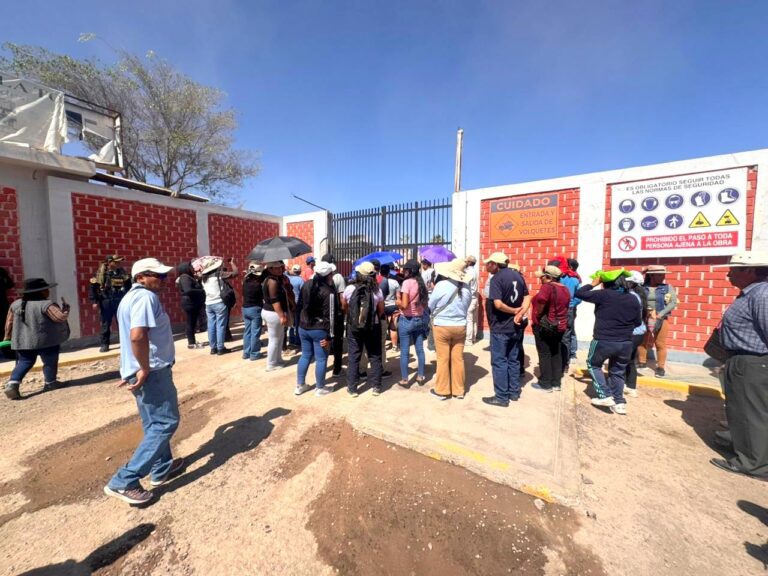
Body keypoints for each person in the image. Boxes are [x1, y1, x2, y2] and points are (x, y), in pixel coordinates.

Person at [103, 258, 183, 505]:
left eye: (164, 275)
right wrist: (145, 368)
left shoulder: (129, 298)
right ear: (140, 277)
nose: (162, 280)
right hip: (151, 371)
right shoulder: (146, 298)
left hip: (139, 369)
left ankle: (161, 468)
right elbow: (137, 336)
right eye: (157, 276)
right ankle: (124, 480)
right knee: (166, 422)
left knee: (153, 423)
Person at [709, 251, 768, 480]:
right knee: (740, 409)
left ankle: (753, 464)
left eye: (733, 271)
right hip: (742, 360)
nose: (728, 275)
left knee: (750, 412)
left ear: (750, 271)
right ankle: (746, 449)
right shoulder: (751, 293)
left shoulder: (762, 295)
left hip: (753, 362)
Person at [576, 270, 642, 415]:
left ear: (605, 282)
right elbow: (637, 322)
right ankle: (619, 403)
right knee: (617, 372)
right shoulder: (633, 299)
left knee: (593, 365)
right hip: (625, 342)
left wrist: (593, 283)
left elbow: (579, 293)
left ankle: (605, 395)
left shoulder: (604, 295)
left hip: (603, 340)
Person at [3, 278, 70, 400]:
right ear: (41, 292)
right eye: (46, 289)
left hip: (23, 341)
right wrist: (65, 309)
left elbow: (9, 323)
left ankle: (13, 384)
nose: (48, 291)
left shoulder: (15, 304)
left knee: (25, 362)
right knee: (49, 361)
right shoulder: (47, 304)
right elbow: (60, 318)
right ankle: (50, 383)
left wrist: (7, 337)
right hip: (47, 341)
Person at [482, 253, 530, 407]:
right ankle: (514, 392)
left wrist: (514, 311)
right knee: (513, 359)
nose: (486, 266)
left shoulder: (496, 279)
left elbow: (498, 304)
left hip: (501, 327)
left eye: (489, 263)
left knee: (499, 361)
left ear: (496, 264)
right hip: (515, 326)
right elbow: (528, 297)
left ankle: (502, 396)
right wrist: (520, 312)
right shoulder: (518, 276)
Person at [428, 259, 472, 400]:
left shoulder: (441, 285)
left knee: (442, 359)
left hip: (442, 326)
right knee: (458, 359)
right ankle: (458, 390)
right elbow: (467, 306)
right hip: (460, 326)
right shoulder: (466, 288)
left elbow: (431, 304)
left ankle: (442, 390)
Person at [341, 262, 385, 397]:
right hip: (373, 326)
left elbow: (344, 307)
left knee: (354, 357)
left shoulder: (349, 289)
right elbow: (381, 310)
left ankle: (352, 388)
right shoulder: (377, 290)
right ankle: (376, 387)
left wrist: (354, 317)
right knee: (375, 356)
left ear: (359, 274)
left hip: (354, 328)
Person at [295, 261, 337, 397]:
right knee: (321, 358)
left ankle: (300, 385)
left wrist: (298, 325)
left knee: (305, 355)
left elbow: (299, 305)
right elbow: (331, 315)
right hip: (319, 330)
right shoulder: (329, 291)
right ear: (328, 275)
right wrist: (330, 336)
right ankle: (320, 387)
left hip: (303, 326)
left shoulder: (306, 284)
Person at [529, 264, 570, 392]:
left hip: (545, 326)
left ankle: (545, 383)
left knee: (544, 353)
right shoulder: (565, 288)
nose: (540, 279)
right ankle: (556, 382)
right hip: (560, 325)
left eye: (542, 277)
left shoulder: (547, 287)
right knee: (556, 352)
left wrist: (537, 315)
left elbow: (541, 301)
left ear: (549, 277)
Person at [637, 264, 678, 378]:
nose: (662, 277)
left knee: (660, 343)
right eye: (659, 275)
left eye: (663, 275)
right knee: (642, 340)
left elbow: (672, 303)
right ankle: (642, 361)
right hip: (644, 317)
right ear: (652, 276)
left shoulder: (667, 288)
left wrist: (660, 315)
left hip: (661, 318)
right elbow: (637, 298)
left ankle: (660, 367)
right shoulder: (641, 287)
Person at [397, 259, 430, 386]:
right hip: (419, 319)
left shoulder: (406, 283)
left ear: (410, 271)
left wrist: (398, 301)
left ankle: (405, 379)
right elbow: (425, 304)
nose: (404, 271)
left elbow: (404, 305)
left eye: (406, 269)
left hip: (407, 319)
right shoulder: (421, 284)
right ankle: (420, 376)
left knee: (405, 351)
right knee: (420, 349)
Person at [89, 255, 131, 352]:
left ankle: (125, 343)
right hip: (106, 301)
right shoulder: (101, 274)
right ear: (109, 262)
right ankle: (105, 344)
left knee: (122, 323)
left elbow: (128, 286)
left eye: (119, 262)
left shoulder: (122, 273)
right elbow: (93, 288)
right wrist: (94, 301)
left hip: (120, 301)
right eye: (116, 262)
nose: (118, 264)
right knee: (105, 324)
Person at [201, 257, 238, 355]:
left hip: (208, 304)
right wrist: (232, 263)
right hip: (219, 303)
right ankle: (220, 348)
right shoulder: (219, 274)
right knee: (220, 325)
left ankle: (213, 348)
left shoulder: (203, 277)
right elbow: (235, 273)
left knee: (211, 326)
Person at [624, 271, 648, 398]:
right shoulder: (641, 296)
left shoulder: (631, 296)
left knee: (623, 360)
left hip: (632, 333)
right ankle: (631, 387)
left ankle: (621, 385)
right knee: (630, 361)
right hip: (639, 332)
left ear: (631, 283)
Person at [262, 261, 289, 371]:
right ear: (270, 269)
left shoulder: (275, 280)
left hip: (272, 312)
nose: (279, 269)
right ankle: (271, 363)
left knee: (280, 337)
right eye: (276, 268)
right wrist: (281, 315)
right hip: (273, 313)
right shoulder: (272, 281)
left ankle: (278, 359)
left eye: (280, 267)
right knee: (274, 339)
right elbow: (275, 300)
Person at [321, 254, 346, 376]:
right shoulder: (338, 277)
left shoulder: (314, 276)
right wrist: (343, 311)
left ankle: (322, 366)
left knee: (323, 339)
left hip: (321, 314)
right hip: (336, 314)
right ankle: (337, 368)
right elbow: (342, 297)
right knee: (337, 340)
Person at [176, 262, 206, 349]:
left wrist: (199, 280)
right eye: (191, 267)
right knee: (190, 323)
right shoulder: (185, 277)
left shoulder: (188, 277)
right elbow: (188, 290)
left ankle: (192, 341)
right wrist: (201, 291)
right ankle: (191, 343)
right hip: (190, 303)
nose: (192, 268)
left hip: (193, 303)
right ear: (186, 268)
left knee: (192, 322)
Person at [242, 262, 265, 361]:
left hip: (245, 308)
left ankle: (246, 353)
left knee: (247, 331)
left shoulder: (245, 282)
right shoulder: (257, 285)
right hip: (255, 309)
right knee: (255, 332)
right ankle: (254, 354)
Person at [380, 264, 401, 352]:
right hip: (393, 306)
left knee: (383, 328)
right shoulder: (395, 282)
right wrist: (399, 308)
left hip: (382, 306)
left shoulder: (378, 282)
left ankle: (383, 347)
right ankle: (394, 347)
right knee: (393, 327)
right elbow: (398, 297)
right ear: (389, 272)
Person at [565, 258, 581, 362]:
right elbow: (579, 297)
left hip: (567, 309)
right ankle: (572, 354)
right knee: (571, 330)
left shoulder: (569, 278)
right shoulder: (577, 279)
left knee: (567, 331)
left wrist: (570, 305)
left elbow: (578, 296)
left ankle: (570, 354)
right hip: (571, 309)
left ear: (570, 267)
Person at [287, 264, 305, 348]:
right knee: (298, 323)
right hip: (298, 304)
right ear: (300, 271)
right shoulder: (301, 280)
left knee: (291, 322)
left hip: (290, 303)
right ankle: (298, 341)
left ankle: (291, 340)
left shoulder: (288, 279)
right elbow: (303, 292)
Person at [464, 255, 479, 346]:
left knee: (469, 320)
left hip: (470, 298)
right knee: (474, 320)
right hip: (475, 297)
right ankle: (474, 338)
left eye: (467, 261)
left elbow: (466, 285)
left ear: (469, 262)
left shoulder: (468, 272)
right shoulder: (475, 271)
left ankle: (469, 340)